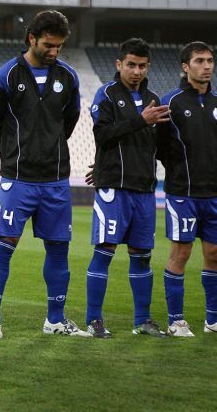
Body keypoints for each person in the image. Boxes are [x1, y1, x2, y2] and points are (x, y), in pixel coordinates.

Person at [0, 10, 88, 338]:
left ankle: (55, 320)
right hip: (18, 178)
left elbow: (69, 121)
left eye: (59, 46)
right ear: (32, 39)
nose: (54, 51)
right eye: (48, 45)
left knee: (59, 249)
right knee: (4, 245)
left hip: (55, 180)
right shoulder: (5, 76)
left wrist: (47, 148)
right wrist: (18, 152)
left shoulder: (68, 77)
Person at [84, 38, 168, 338]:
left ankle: (142, 321)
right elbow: (103, 135)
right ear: (119, 64)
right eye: (131, 65)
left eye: (142, 66)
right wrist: (140, 120)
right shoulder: (106, 94)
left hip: (144, 189)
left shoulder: (154, 98)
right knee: (104, 251)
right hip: (114, 188)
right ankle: (94, 320)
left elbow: (158, 146)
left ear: (148, 67)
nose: (136, 71)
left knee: (142, 255)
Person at [157, 41, 217, 337]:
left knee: (214, 254)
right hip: (183, 193)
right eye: (199, 61)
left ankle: (213, 320)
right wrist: (179, 172)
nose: (206, 66)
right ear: (185, 67)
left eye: (210, 61)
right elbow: (158, 148)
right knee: (181, 254)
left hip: (214, 194)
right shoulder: (171, 102)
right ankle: (176, 321)